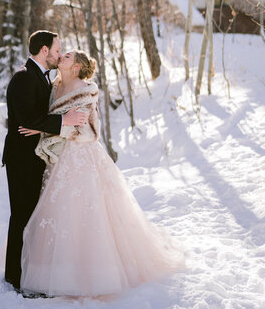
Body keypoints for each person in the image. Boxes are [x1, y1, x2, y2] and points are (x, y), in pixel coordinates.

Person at [19, 49, 184, 298]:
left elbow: (89, 132)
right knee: (56, 214)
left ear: (76, 67)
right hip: (58, 161)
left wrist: (55, 130)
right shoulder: (54, 87)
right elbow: (52, 119)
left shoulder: (86, 91)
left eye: (67, 56)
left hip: (82, 160)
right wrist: (42, 129)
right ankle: (53, 273)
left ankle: (92, 274)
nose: (61, 56)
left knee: (84, 214)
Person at [2, 31, 87, 291]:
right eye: (57, 49)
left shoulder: (40, 76)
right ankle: (15, 278)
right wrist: (65, 121)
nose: (60, 54)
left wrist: (41, 127)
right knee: (22, 217)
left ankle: (25, 272)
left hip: (34, 157)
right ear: (43, 50)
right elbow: (27, 119)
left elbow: (35, 118)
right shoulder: (24, 78)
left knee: (31, 217)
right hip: (22, 159)